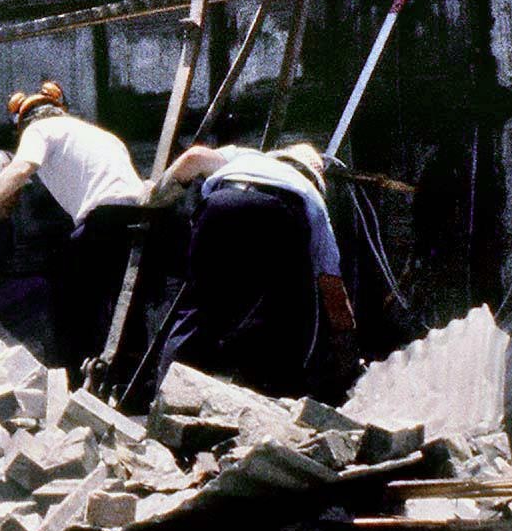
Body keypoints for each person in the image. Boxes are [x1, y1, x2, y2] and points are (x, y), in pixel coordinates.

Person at [139, 141, 357, 402]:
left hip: (221, 206)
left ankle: (168, 399)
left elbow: (194, 158)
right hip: (280, 216)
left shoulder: (243, 157)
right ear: (316, 177)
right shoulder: (311, 196)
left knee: (200, 310)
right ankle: (274, 396)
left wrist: (155, 197)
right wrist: (345, 346)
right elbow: (330, 282)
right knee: (288, 314)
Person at [0, 84, 156, 381]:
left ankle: (71, 380)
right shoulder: (104, 136)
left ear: (23, 123)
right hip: (139, 217)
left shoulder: (40, 130)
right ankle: (136, 382)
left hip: (102, 217)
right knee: (125, 303)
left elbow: (21, 169)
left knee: (67, 303)